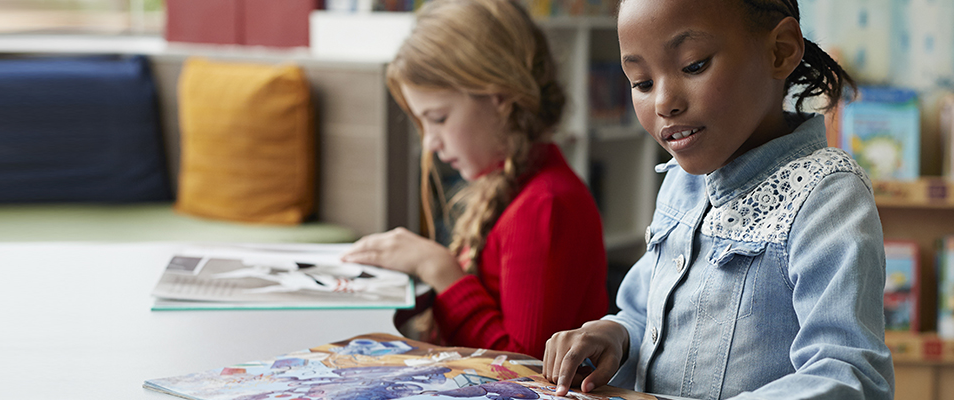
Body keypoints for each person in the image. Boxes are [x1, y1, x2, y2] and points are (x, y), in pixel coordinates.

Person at [541, 0, 894, 399]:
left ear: (780, 51)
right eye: (642, 82)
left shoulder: (826, 194)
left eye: (693, 65)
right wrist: (615, 334)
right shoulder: (680, 181)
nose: (663, 102)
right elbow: (644, 315)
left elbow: (849, 375)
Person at [339, 0, 608, 360]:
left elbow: (526, 369)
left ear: (498, 96)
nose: (430, 143)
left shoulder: (545, 204)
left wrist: (439, 269)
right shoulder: (511, 188)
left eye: (438, 118)